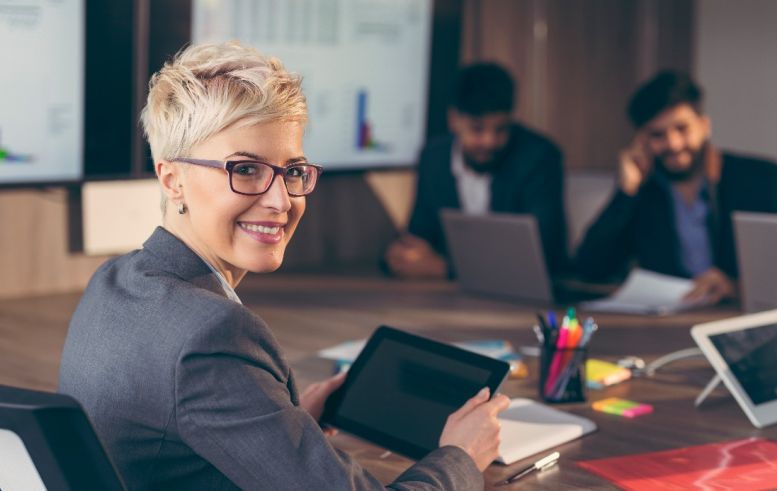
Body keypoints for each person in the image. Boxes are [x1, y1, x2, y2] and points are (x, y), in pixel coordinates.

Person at [58, 42, 509, 490]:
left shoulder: (113, 281)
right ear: (173, 180)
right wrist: (461, 457)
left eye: (293, 171)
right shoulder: (213, 334)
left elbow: (177, 441)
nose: (281, 200)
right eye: (246, 170)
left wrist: (281, 424)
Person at [575, 70, 777, 304]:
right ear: (641, 140)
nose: (673, 144)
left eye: (682, 129)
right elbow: (591, 267)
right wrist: (626, 191)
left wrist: (736, 286)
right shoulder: (643, 190)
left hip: (740, 313)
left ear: (704, 126)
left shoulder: (765, 181)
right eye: (657, 134)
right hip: (669, 320)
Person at [385, 63, 568, 279]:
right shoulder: (433, 158)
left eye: (501, 129)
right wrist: (402, 255)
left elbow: (544, 253)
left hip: (522, 297)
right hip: (449, 297)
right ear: (454, 120)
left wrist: (447, 269)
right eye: (477, 129)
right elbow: (421, 233)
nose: (490, 141)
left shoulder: (539, 157)